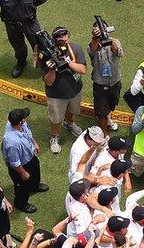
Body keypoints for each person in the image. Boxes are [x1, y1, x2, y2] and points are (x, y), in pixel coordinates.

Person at [40, 26, 88, 154]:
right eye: (59, 37)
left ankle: (69, 123)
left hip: (75, 90)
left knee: (72, 110)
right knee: (55, 119)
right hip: (56, 94)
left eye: (64, 36)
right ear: (54, 40)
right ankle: (54, 136)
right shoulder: (46, 55)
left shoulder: (75, 48)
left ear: (68, 37)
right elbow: (49, 81)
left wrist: (68, 63)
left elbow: (83, 70)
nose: (62, 39)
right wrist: (52, 68)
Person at [1, 108, 46, 214]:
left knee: (35, 171)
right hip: (20, 167)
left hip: (30, 158)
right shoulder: (12, 142)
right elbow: (14, 162)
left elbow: (27, 133)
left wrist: (34, 143)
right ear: (20, 122)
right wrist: (23, 173)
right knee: (22, 186)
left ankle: (34, 186)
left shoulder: (17, 124)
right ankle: (21, 204)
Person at [0, 0, 46, 78]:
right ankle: (21, 62)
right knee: (18, 46)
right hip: (12, 25)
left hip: (30, 23)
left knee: (40, 44)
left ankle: (45, 66)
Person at [89, 19, 124, 133]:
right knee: (102, 113)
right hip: (100, 83)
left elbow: (118, 52)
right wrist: (96, 38)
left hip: (114, 82)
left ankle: (108, 118)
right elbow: (92, 51)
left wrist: (108, 40)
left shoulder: (115, 41)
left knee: (111, 105)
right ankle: (104, 135)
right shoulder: (93, 43)